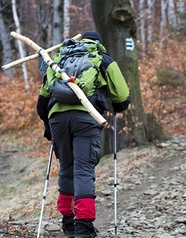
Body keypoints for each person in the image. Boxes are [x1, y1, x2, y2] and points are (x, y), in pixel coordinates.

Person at [36, 31, 130, 237]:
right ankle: (84, 227)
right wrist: (113, 103)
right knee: (83, 170)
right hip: (86, 118)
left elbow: (43, 99)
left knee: (67, 168)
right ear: (98, 43)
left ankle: (68, 222)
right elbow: (122, 97)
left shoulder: (60, 58)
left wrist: (48, 125)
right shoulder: (103, 59)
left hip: (57, 120)